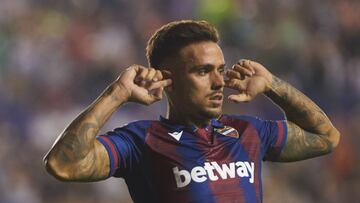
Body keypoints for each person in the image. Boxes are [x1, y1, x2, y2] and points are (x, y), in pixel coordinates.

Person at [44, 20, 340, 203]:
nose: (218, 82)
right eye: (202, 71)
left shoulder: (248, 132)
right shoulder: (140, 142)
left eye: (220, 70)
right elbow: (63, 165)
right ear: (167, 79)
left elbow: (326, 137)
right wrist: (117, 94)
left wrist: (273, 84)